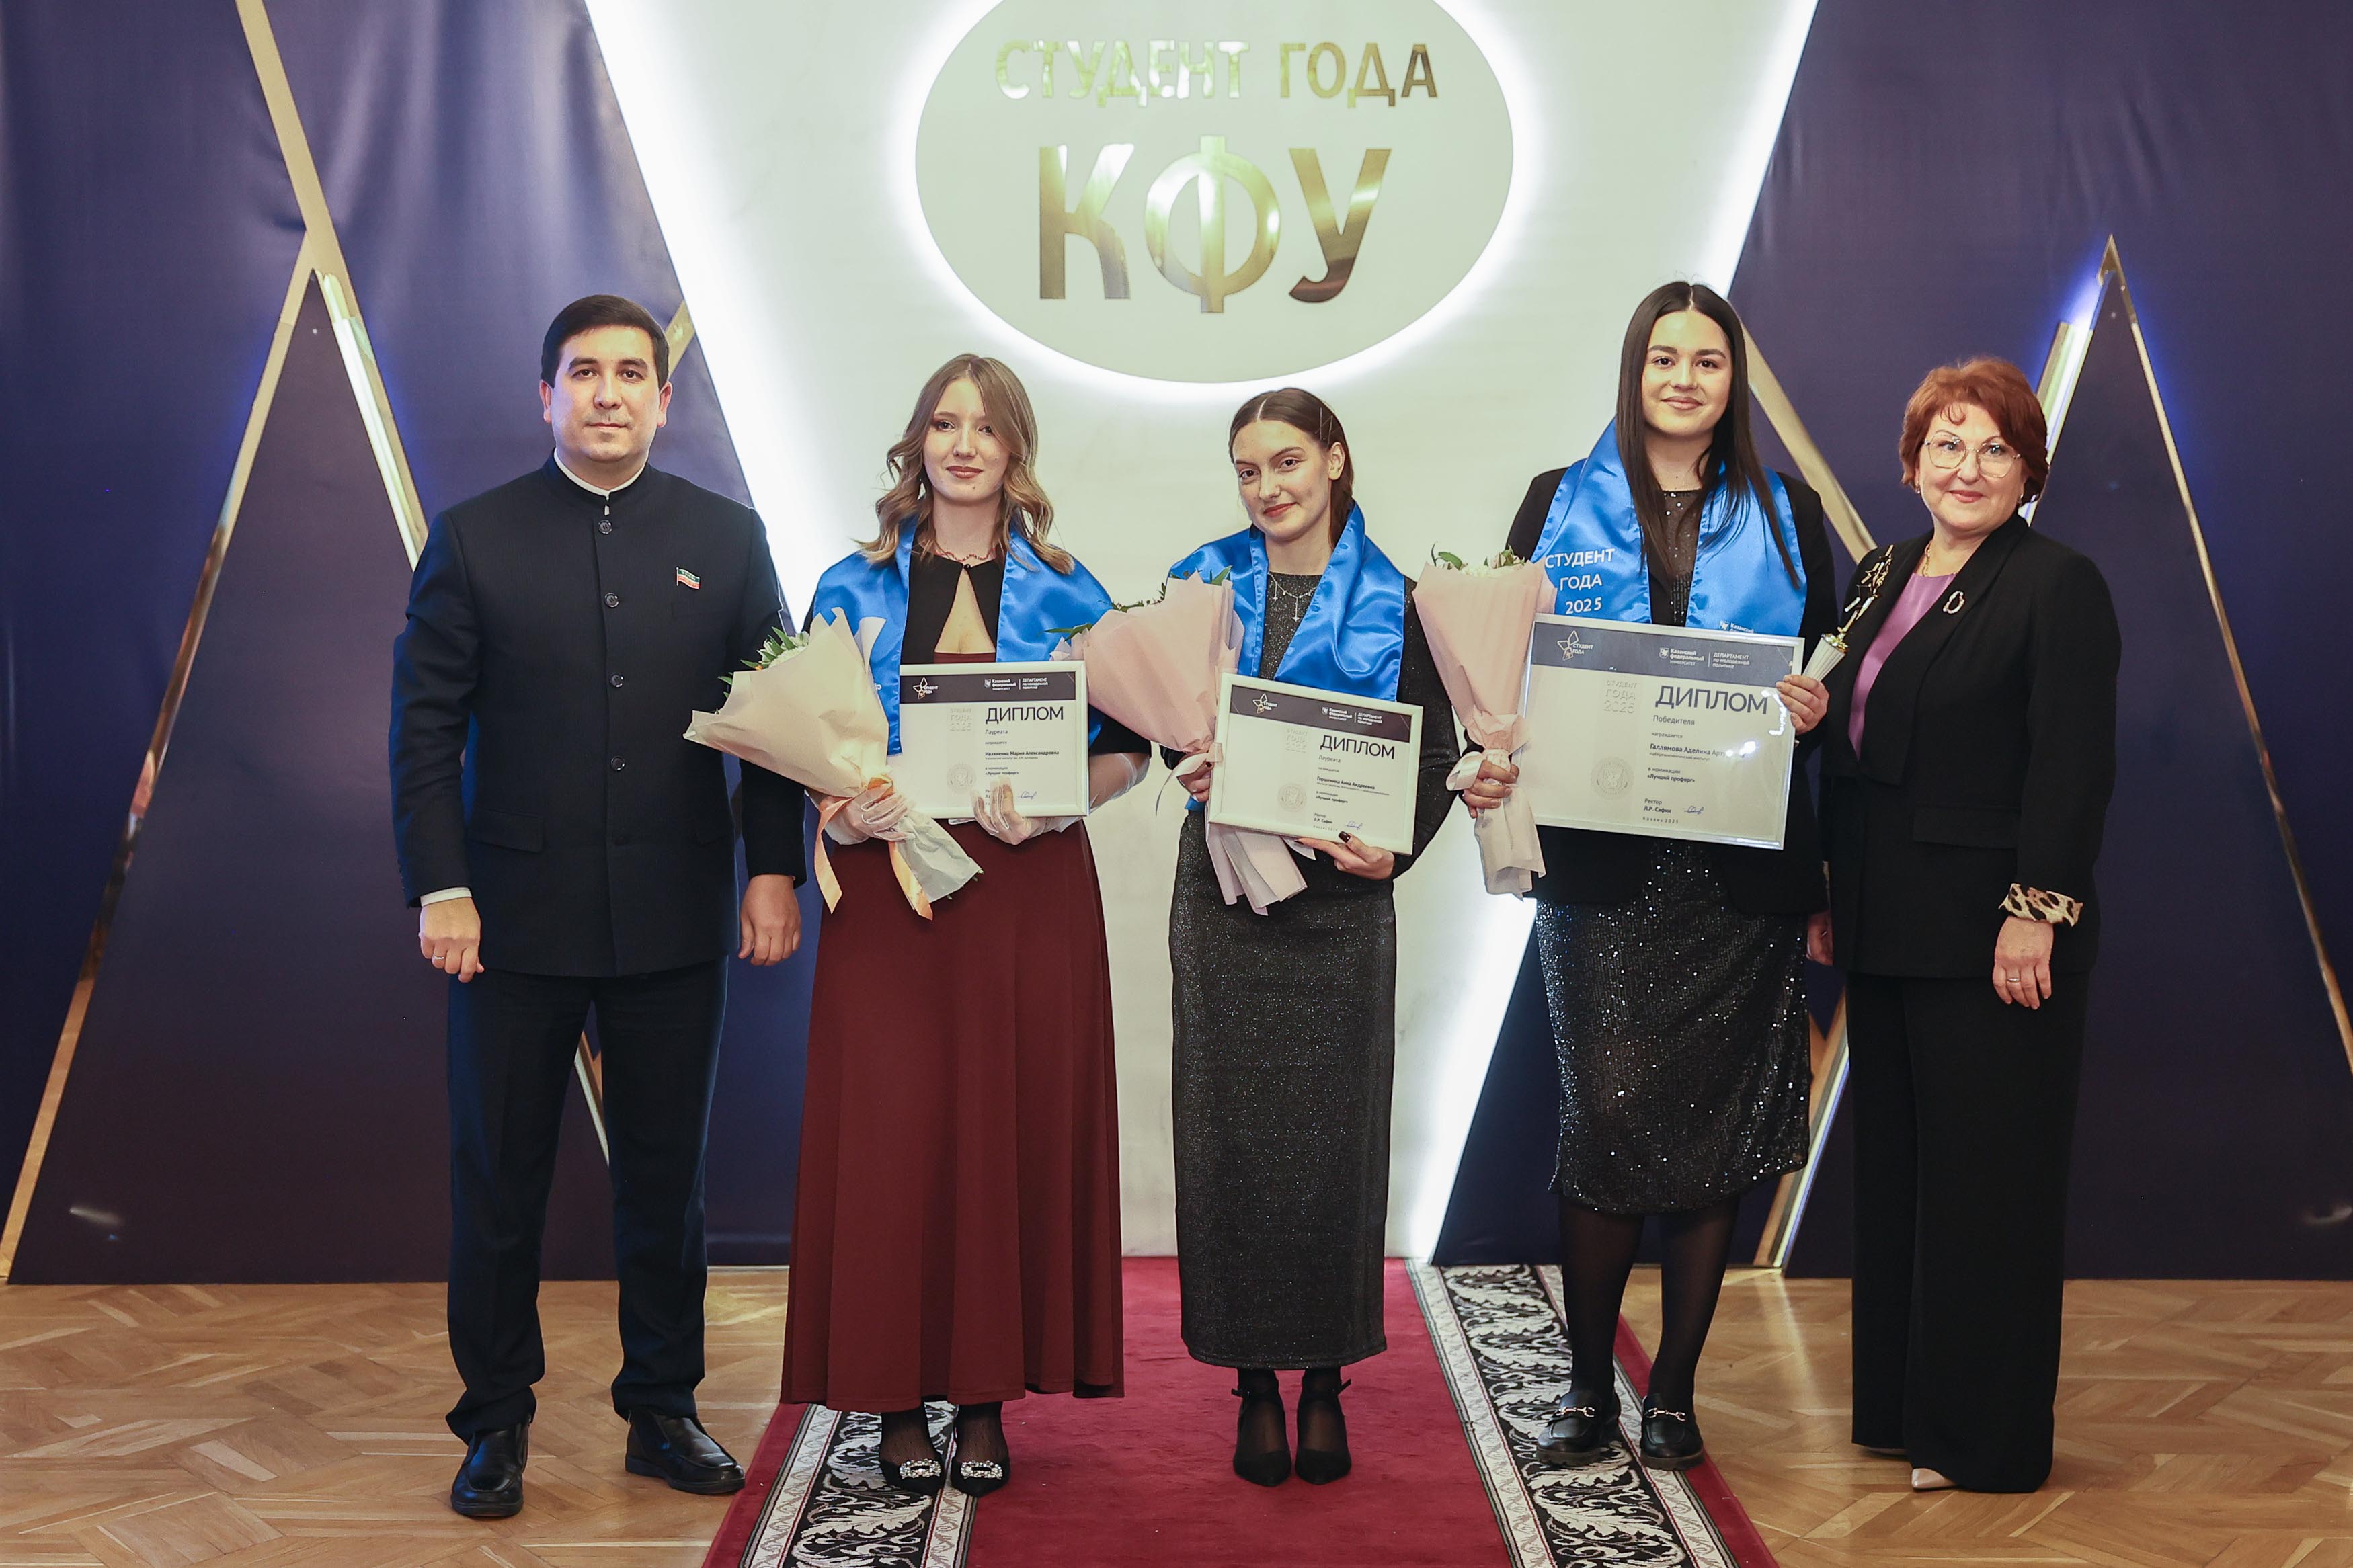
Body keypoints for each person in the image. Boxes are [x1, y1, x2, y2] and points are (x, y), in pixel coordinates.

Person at [390, 294, 805, 1519]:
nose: (609, 393)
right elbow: (423, 729)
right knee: (499, 1177)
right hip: (507, 922)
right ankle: (495, 1419)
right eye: (584, 373)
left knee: (665, 1180)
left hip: (676, 911)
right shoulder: (474, 538)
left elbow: (775, 719)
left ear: (665, 400)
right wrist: (443, 883)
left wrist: (771, 866)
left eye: (632, 373)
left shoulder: (728, 538)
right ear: (547, 395)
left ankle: (663, 1408)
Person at [1462, 282, 1836, 1471]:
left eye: (1707, 360)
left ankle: (1672, 1390)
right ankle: (1587, 1384)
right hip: (1600, 876)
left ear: (1733, 381)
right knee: (1608, 1124)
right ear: (1634, 371)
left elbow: (1826, 687)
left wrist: (1812, 709)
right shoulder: (1554, 502)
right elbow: (1493, 668)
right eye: (1663, 357)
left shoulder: (1789, 514)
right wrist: (1489, 744)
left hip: (1737, 877)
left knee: (1714, 1135)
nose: (1684, 379)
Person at [781, 354, 1145, 1499]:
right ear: (917, 442)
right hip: (889, 893)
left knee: (1005, 1127)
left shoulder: (1071, 590)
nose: (964, 444)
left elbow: (1134, 750)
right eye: (945, 423)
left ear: (1015, 449)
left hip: (1026, 892)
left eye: (986, 427)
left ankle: (984, 1395)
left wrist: (1064, 801)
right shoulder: (849, 584)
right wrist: (839, 809)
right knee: (895, 1137)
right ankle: (895, 1397)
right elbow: (804, 745)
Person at [1816, 357, 2118, 1494]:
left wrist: (2037, 909)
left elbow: (2072, 765)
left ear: (2029, 470)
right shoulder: (1880, 571)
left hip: (1994, 937)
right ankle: (1907, 1414)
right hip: (1885, 922)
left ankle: (1983, 1440)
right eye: (1947, 443)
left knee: (1990, 1191)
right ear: (1912, 463)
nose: (1968, 466)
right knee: (1900, 1178)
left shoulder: (2058, 583)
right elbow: (1856, 741)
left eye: (1995, 448)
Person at [1167, 388, 1460, 1487]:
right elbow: (1162, 725)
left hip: (1342, 908)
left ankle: (1328, 1381)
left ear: (1335, 459)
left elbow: (1436, 755)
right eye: (1248, 470)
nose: (1268, 487)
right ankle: (1252, 1383)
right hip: (1226, 899)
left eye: (1286, 461)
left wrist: (1400, 849)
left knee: (1338, 1144)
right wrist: (1185, 762)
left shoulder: (1405, 600)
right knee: (1230, 1139)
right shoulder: (1200, 584)